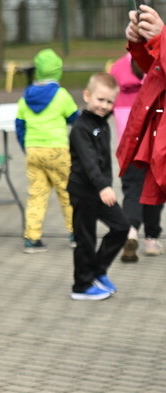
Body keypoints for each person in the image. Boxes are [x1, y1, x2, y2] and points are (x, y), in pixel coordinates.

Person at [68, 72, 128, 300]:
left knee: (121, 226)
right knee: (85, 238)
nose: (104, 105)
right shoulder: (81, 129)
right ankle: (81, 286)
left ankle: (97, 271)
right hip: (84, 191)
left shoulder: (102, 125)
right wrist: (104, 187)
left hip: (100, 191)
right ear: (87, 96)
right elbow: (89, 162)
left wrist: (106, 186)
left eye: (109, 101)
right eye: (100, 100)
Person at [15, 48, 77, 253]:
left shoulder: (25, 98)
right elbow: (74, 119)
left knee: (36, 194)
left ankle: (32, 238)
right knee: (68, 193)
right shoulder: (62, 95)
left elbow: (20, 126)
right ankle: (76, 233)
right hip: (57, 150)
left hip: (33, 151)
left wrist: (27, 147)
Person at [109, 53, 163, 262]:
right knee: (153, 192)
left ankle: (130, 231)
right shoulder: (160, 63)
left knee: (132, 191)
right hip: (156, 142)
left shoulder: (117, 67)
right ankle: (151, 239)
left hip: (130, 143)